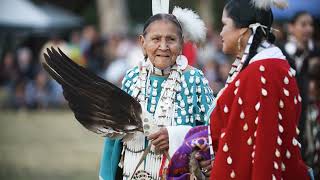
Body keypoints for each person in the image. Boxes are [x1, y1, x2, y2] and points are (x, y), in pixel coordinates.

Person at [168, 0, 312, 179]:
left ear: (244, 31)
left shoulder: (262, 74)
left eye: (225, 24)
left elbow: (265, 155)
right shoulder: (264, 68)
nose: (221, 33)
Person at [99, 4, 214, 180]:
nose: (163, 46)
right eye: (156, 39)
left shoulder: (194, 79)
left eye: (171, 39)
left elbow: (211, 132)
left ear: (182, 42)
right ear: (142, 43)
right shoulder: (131, 78)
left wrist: (174, 135)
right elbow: (113, 139)